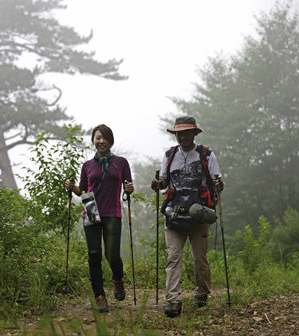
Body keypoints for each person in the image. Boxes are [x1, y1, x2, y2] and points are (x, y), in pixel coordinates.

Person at [151, 116, 224, 318]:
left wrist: (219, 186)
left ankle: (202, 293)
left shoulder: (206, 154)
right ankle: (174, 301)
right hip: (174, 213)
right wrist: (157, 184)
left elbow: (218, 180)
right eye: (179, 134)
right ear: (176, 135)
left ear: (194, 134)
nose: (182, 137)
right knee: (173, 258)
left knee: (199, 258)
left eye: (186, 133)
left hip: (199, 213)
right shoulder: (169, 155)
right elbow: (164, 181)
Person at [65, 124, 134, 313]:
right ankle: (99, 296)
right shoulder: (87, 165)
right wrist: (71, 187)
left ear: (110, 140)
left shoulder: (121, 162)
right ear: (93, 141)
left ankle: (118, 280)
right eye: (97, 138)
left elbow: (129, 186)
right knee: (94, 255)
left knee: (112, 255)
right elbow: (83, 191)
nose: (101, 141)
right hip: (91, 214)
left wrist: (129, 189)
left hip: (113, 214)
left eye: (104, 138)